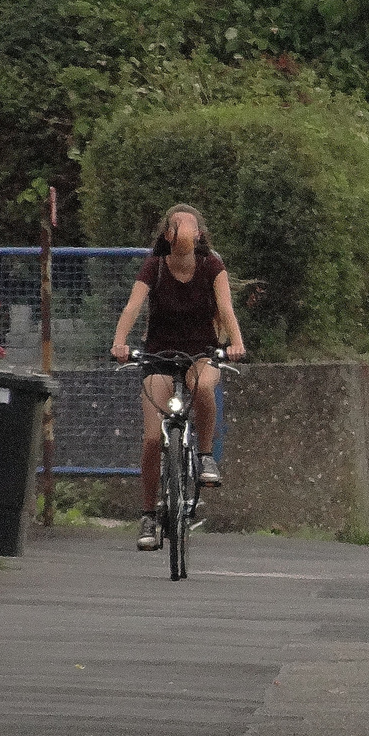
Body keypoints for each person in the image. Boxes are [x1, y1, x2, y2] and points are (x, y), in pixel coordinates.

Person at [110, 205, 246, 551]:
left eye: (191, 227)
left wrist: (236, 344)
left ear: (199, 234)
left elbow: (226, 309)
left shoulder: (212, 266)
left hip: (201, 352)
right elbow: (132, 306)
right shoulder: (154, 267)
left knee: (204, 387)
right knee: (153, 438)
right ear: (167, 235)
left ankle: (204, 456)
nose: (184, 233)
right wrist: (120, 343)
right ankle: (148, 515)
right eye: (177, 227)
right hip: (158, 355)